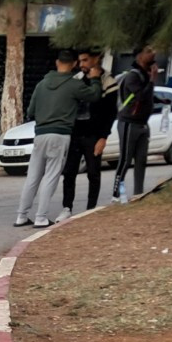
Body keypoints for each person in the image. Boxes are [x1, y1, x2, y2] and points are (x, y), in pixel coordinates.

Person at [15, 49, 102, 229]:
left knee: (33, 176)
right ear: (73, 64)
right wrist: (95, 78)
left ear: (57, 63)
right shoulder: (73, 85)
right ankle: (40, 217)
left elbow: (30, 111)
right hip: (60, 134)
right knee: (51, 176)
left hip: (40, 134)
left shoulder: (41, 84)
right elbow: (94, 95)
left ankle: (21, 216)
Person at [60, 49, 116, 217]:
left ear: (96, 59)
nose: (82, 64)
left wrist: (103, 137)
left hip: (94, 135)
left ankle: (90, 209)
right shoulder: (76, 79)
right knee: (69, 172)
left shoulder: (109, 81)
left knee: (93, 173)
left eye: (85, 60)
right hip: (75, 134)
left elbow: (111, 113)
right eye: (80, 61)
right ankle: (66, 208)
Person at [113, 45, 158, 202]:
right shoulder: (133, 76)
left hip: (143, 124)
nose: (153, 54)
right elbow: (139, 96)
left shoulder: (145, 75)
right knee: (125, 160)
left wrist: (159, 100)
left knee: (141, 160)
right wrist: (152, 79)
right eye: (148, 51)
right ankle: (116, 195)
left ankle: (138, 194)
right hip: (128, 123)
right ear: (139, 56)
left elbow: (149, 95)